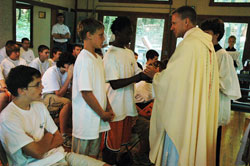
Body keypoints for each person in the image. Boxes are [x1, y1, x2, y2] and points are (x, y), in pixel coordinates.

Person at [145, 6, 220, 166]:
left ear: (186, 22)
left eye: (174, 23)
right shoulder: (205, 44)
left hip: (183, 114)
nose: (171, 27)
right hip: (197, 107)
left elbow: (171, 82)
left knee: (178, 154)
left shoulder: (189, 45)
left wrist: (155, 76)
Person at [0, 65, 109, 166]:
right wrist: (49, 135)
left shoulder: (39, 106)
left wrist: (41, 143)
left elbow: (59, 139)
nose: (42, 87)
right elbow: (37, 153)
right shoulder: (8, 118)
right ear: (22, 90)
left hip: (62, 156)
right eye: (37, 84)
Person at [102, 16, 151, 165]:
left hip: (127, 107)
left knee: (123, 144)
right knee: (111, 146)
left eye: (131, 33)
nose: (130, 37)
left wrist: (154, 76)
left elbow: (137, 73)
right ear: (117, 32)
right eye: (127, 33)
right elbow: (115, 84)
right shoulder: (110, 55)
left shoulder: (128, 52)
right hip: (115, 108)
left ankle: (119, 162)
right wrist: (138, 78)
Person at [200, 18, 241, 166]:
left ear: (216, 35)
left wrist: (206, 79)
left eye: (207, 33)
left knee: (211, 141)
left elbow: (227, 82)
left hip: (214, 102)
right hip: (202, 100)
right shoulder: (204, 51)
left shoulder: (223, 55)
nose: (204, 36)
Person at [72, 18, 114, 158]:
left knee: (93, 157)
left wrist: (108, 107)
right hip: (85, 119)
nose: (104, 38)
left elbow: (100, 88)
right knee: (81, 158)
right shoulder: (84, 59)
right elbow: (86, 93)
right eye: (100, 35)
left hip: (96, 117)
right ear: (89, 35)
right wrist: (102, 113)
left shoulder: (97, 58)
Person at [42, 52, 75, 148]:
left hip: (56, 96)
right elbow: (59, 93)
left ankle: (74, 130)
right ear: (65, 65)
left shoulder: (64, 73)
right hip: (46, 96)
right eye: (71, 65)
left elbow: (68, 90)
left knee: (76, 101)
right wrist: (69, 77)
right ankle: (63, 134)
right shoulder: (52, 71)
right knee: (67, 103)